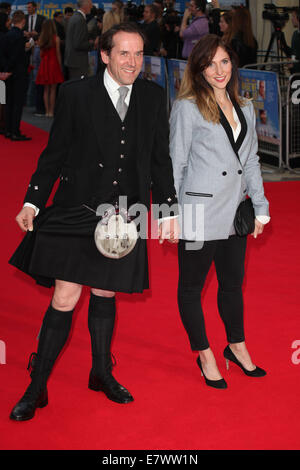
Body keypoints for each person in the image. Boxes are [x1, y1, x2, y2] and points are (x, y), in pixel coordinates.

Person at [9, 22, 179, 422]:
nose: (133, 62)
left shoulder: (154, 97)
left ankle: (101, 372)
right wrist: (33, 202)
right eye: (124, 53)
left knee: (105, 293)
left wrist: (168, 210)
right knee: (65, 297)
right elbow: (54, 154)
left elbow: (159, 159)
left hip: (124, 215)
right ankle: (37, 387)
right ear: (105, 55)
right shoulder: (76, 94)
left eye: (139, 54)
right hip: (78, 209)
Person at [169, 34, 270, 389]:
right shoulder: (187, 106)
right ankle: (204, 353)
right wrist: (171, 214)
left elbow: (252, 160)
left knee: (232, 285)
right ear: (198, 68)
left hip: (234, 212)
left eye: (224, 62)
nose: (218, 70)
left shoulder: (244, 105)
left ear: (233, 64)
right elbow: (175, 162)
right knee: (191, 288)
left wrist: (261, 206)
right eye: (209, 63)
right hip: (198, 212)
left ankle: (236, 346)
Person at [2, 10, 31, 141]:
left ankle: (8, 130)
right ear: (23, 21)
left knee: (9, 102)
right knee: (17, 103)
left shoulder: (6, 35)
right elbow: (17, 56)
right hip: (18, 73)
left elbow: (4, 55)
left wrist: (5, 70)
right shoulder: (20, 37)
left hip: (8, 74)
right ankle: (15, 131)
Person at [35, 19, 64, 117]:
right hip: (53, 64)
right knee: (53, 90)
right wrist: (60, 66)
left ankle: (47, 111)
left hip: (44, 64)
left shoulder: (41, 38)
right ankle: (51, 111)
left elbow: (40, 54)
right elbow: (58, 54)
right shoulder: (56, 38)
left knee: (45, 89)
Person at [64, 0, 94, 79]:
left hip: (74, 60)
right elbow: (78, 44)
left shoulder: (75, 17)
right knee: (78, 87)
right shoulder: (79, 19)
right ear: (85, 5)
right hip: (78, 62)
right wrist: (93, 43)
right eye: (91, 4)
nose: (92, 6)